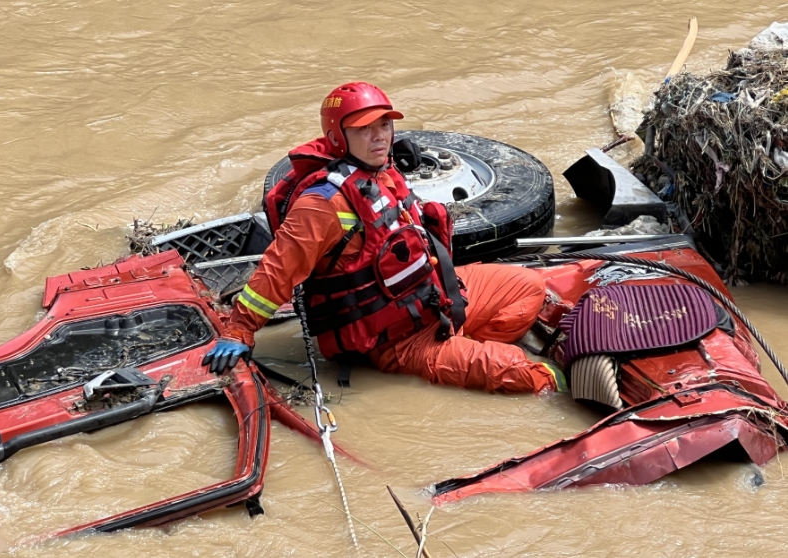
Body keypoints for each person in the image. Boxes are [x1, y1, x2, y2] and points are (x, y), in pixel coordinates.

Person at [203, 81, 564, 394]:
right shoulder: (321, 205)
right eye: (364, 129)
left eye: (385, 124)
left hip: (437, 300)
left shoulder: (380, 169)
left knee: (528, 287)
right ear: (336, 138)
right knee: (534, 376)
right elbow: (277, 269)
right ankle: (458, 357)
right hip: (397, 340)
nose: (380, 136)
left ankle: (462, 347)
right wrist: (240, 330)